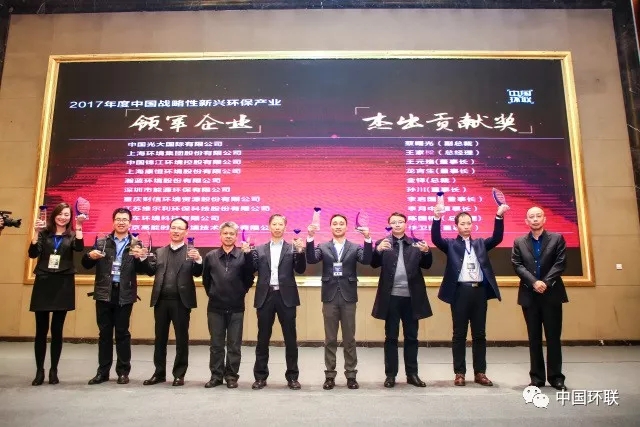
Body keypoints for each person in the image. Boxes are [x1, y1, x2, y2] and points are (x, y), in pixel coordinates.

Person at [431, 202, 509, 387]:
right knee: (459, 334)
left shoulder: (480, 243)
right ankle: (459, 373)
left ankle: (480, 372)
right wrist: (437, 218)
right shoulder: (451, 244)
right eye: (462, 223)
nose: (466, 226)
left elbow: (497, 238)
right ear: (456, 226)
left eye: (469, 223)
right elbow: (436, 239)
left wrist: (499, 216)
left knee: (479, 334)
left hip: (479, 292)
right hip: (460, 292)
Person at [306, 214, 373, 390]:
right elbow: (311, 259)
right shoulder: (323, 246)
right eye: (335, 223)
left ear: (346, 227)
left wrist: (367, 239)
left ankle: (351, 375)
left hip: (348, 297)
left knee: (349, 338)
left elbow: (367, 260)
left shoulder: (354, 247)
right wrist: (310, 237)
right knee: (330, 338)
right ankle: (330, 376)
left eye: (341, 223)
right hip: (329, 297)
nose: (338, 226)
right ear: (330, 227)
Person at [82, 207, 147, 385]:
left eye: (125, 219)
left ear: (130, 223)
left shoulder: (136, 243)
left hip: (124, 293)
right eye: (118, 219)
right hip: (104, 292)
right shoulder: (102, 241)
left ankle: (123, 372)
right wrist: (90, 256)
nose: (121, 222)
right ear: (113, 221)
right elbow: (86, 264)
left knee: (122, 333)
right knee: (104, 334)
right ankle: (102, 372)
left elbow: (145, 270)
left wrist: (141, 258)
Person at [371, 212, 433, 388]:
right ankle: (390, 375)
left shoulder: (415, 243)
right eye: (393, 222)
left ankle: (412, 374)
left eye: (400, 222)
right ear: (389, 225)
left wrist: (427, 252)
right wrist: (377, 250)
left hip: (412, 299)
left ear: (406, 224)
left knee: (411, 337)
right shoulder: (383, 243)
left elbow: (427, 265)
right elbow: (373, 264)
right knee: (391, 337)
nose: (397, 224)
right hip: (390, 298)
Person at [27, 202, 85, 385]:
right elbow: (33, 253)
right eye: (60, 214)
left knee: (57, 330)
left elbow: (79, 248)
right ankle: (39, 371)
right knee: (41, 330)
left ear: (70, 217)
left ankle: (54, 370)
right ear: (54, 215)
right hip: (44, 282)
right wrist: (36, 232)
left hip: (63, 283)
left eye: (67, 215)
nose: (63, 217)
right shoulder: (44, 233)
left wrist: (80, 226)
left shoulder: (72, 234)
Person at [511, 206, 568, 391]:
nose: (535, 219)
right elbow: (517, 265)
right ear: (526, 221)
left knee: (553, 337)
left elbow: (560, 263)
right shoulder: (519, 242)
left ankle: (556, 377)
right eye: (531, 217)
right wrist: (534, 282)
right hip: (530, 295)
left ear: (544, 219)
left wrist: (546, 282)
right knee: (533, 338)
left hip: (552, 294)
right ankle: (536, 377)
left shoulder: (557, 238)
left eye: (538, 216)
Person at [247, 214, 306, 390]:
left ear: (285, 227)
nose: (277, 227)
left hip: (286, 297)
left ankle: (292, 377)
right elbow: (251, 269)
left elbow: (301, 269)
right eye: (274, 224)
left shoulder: (292, 248)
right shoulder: (259, 249)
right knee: (262, 338)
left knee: (290, 339)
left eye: (281, 224)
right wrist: (247, 254)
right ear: (269, 226)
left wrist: (300, 252)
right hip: (265, 296)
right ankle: (260, 377)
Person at [142, 218, 202, 387]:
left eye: (180, 228)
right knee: (160, 338)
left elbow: (198, 273)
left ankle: (179, 374)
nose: (176, 231)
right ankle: (159, 373)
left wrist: (198, 260)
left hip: (181, 302)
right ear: (169, 230)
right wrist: (143, 259)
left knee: (181, 339)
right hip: (161, 301)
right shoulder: (160, 252)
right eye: (173, 228)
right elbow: (150, 271)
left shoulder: (191, 252)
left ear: (186, 232)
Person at [201, 221, 255, 389]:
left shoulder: (243, 255)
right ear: (220, 235)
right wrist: (213, 293)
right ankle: (216, 376)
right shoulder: (211, 256)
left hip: (236, 307)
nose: (228, 236)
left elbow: (249, 278)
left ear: (236, 236)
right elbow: (206, 280)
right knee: (216, 344)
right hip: (215, 307)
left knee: (234, 345)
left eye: (232, 234)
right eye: (225, 233)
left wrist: (240, 292)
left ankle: (231, 376)